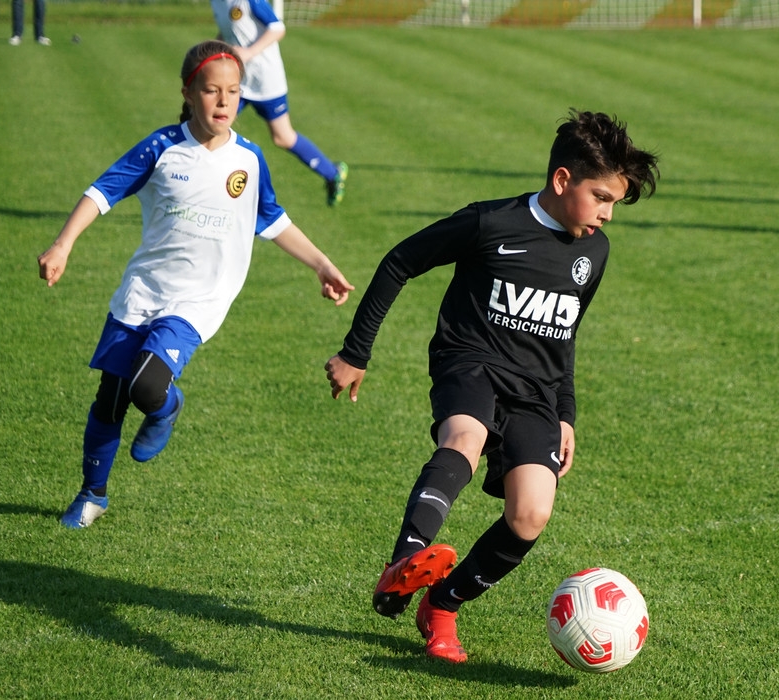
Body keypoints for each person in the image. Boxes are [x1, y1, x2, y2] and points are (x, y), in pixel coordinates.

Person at [324, 110, 659, 663]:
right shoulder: (491, 223)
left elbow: (566, 334)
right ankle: (404, 562)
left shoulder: (594, 252)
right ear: (562, 180)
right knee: (465, 437)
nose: (606, 214)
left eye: (614, 204)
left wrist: (566, 413)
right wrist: (356, 352)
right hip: (470, 360)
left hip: (536, 391)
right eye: (600, 197)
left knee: (531, 513)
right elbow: (400, 261)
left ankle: (442, 605)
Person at [38, 40, 354, 529]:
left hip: (200, 299)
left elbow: (272, 219)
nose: (224, 101)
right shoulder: (162, 148)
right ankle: (91, 495)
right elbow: (102, 191)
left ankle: (167, 407)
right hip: (143, 291)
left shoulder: (249, 159)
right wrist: (63, 245)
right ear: (188, 93)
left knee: (148, 386)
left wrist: (321, 264)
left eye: (234, 91)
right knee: (111, 397)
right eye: (211, 91)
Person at [211, 0, 348, 207]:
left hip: (266, 80)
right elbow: (229, 33)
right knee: (213, 129)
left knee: (283, 137)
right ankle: (209, 191)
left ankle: (332, 173)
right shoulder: (217, 2)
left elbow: (277, 28)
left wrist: (249, 52)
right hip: (238, 81)